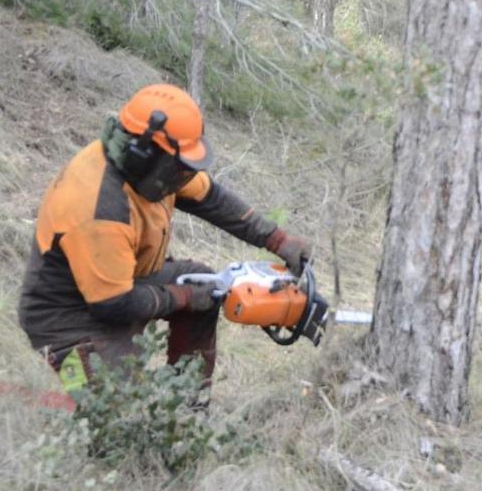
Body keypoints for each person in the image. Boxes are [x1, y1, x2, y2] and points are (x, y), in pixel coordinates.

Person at [17, 84, 311, 395]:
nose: (183, 178)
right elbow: (112, 305)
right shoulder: (100, 208)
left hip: (125, 282)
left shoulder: (154, 169)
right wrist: (183, 296)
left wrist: (277, 239)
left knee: (207, 289)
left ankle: (188, 404)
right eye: (179, 169)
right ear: (143, 154)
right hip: (70, 317)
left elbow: (210, 198)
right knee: (125, 421)